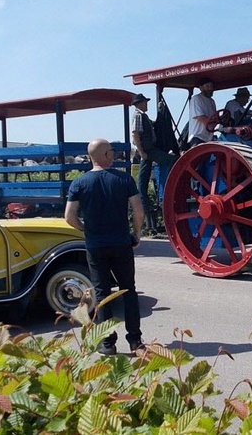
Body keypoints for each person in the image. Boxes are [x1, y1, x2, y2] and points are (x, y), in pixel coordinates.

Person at [64, 138, 145, 356]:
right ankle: (135, 341)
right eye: (112, 151)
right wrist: (136, 234)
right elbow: (138, 211)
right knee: (128, 290)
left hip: (95, 245)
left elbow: (69, 217)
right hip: (121, 243)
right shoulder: (124, 179)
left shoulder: (79, 183)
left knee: (102, 293)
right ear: (107, 155)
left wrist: (86, 229)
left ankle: (108, 343)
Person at [130, 93, 177, 232]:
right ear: (139, 104)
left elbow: (153, 126)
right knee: (171, 160)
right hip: (148, 150)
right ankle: (166, 188)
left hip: (149, 150)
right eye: (145, 102)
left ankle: (148, 203)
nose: (146, 105)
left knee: (142, 181)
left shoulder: (143, 116)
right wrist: (142, 152)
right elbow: (136, 135)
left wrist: (161, 111)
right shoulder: (138, 116)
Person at [187, 76, 217, 147]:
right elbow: (202, 118)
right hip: (198, 138)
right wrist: (217, 126)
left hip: (209, 138)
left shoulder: (212, 101)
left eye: (211, 86)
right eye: (207, 86)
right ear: (201, 88)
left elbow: (215, 117)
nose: (210, 88)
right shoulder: (196, 99)